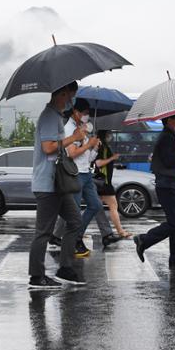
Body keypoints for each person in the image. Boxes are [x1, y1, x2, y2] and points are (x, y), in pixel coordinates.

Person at [28, 81, 88, 289]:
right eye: (70, 96)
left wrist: (76, 138)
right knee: (43, 232)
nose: (71, 101)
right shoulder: (49, 117)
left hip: (58, 183)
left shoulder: (56, 117)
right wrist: (73, 137)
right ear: (61, 94)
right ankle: (36, 276)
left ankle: (65, 267)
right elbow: (48, 148)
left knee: (75, 222)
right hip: (47, 184)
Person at [52, 99, 122, 254]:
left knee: (96, 205)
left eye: (88, 114)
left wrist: (94, 148)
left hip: (86, 174)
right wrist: (88, 145)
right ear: (76, 112)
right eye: (84, 113)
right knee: (74, 213)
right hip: (74, 174)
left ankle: (76, 236)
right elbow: (72, 153)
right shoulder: (68, 130)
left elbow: (89, 159)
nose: (86, 116)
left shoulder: (82, 129)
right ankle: (73, 242)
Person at [133, 114, 175, 268]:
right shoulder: (166, 138)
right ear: (169, 121)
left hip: (172, 185)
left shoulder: (169, 137)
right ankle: (144, 239)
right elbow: (170, 161)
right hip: (168, 186)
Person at [94, 130, 132, 240]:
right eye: (108, 134)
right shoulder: (102, 147)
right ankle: (120, 231)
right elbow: (98, 163)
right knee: (113, 206)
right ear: (104, 135)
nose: (110, 136)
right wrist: (112, 158)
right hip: (103, 182)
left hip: (101, 182)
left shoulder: (103, 146)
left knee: (94, 208)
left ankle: (79, 234)